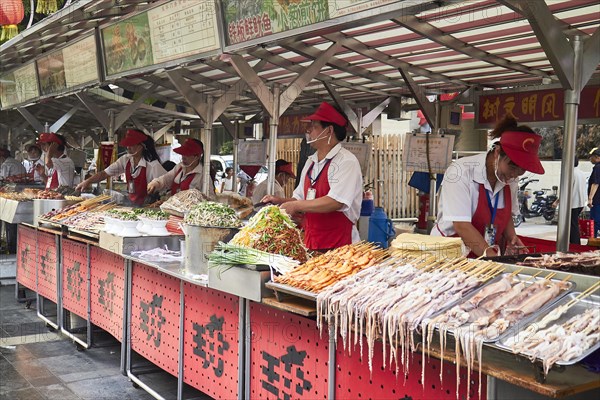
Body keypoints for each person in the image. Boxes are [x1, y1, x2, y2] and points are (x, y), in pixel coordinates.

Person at [432, 116, 545, 257]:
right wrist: (491, 258)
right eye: (513, 167)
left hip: (486, 255)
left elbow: (506, 213)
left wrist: (511, 237)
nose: (514, 174)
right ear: (497, 152)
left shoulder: (511, 179)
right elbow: (461, 225)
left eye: (522, 170)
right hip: (451, 255)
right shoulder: (461, 171)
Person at [261, 101, 363, 251]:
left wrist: (295, 205)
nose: (308, 131)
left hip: (340, 246)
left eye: (314, 127)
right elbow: (300, 199)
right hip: (312, 241)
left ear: (329, 131)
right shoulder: (311, 162)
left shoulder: (346, 161)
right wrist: (280, 201)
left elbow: (336, 201)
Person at [76, 129, 166, 206]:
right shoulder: (125, 159)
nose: (128, 147)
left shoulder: (153, 165)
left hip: (148, 206)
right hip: (131, 204)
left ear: (141, 146)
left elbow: (166, 188)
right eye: (127, 144)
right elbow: (104, 173)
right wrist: (87, 181)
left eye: (131, 144)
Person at [553, 157, 587, 244]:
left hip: (572, 203)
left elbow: (565, 190)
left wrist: (557, 201)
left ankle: (574, 244)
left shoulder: (569, 174)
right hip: (581, 203)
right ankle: (572, 243)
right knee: (573, 224)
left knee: (572, 225)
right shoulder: (582, 173)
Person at [587, 147, 600, 237]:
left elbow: (595, 183)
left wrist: (590, 198)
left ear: (597, 157)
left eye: (591, 157)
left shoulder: (597, 168)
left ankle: (593, 241)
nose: (590, 159)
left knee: (595, 222)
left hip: (597, 200)